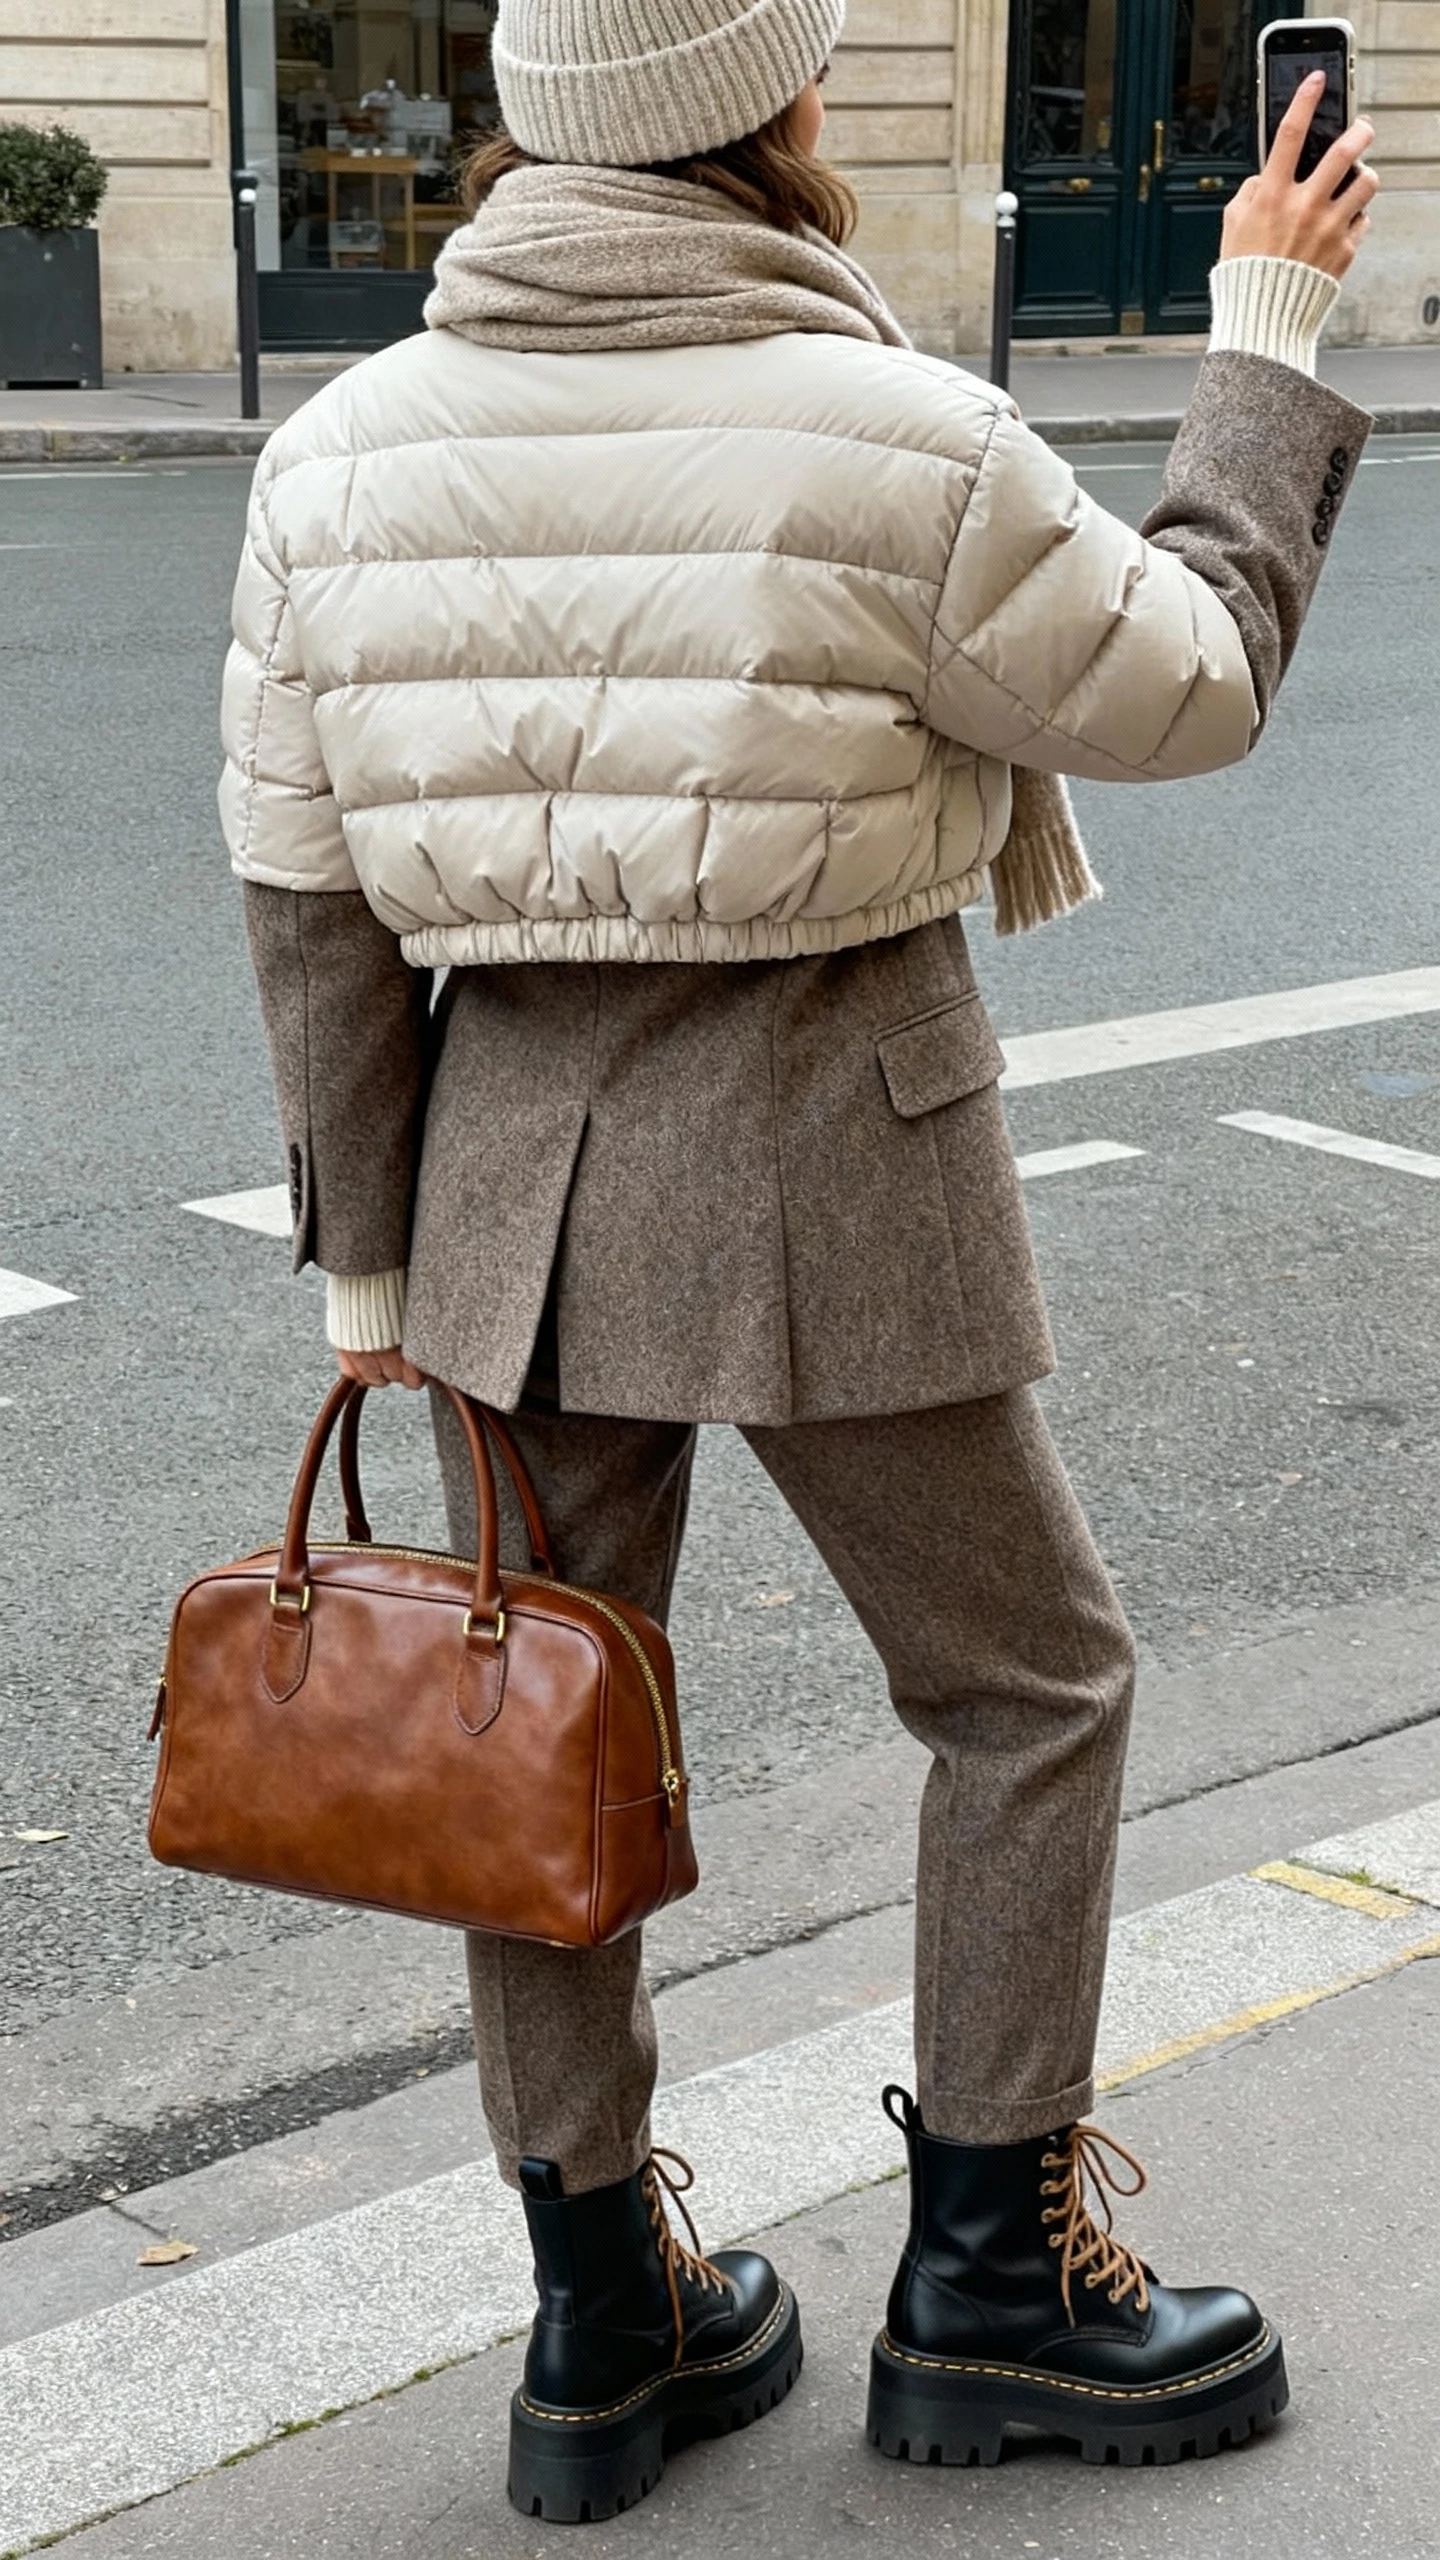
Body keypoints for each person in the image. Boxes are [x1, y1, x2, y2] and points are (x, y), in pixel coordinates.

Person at [222, 0, 1376, 2522]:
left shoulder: (337, 455)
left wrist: (367, 1264)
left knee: (528, 1739)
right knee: (1028, 1685)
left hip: (505, 1166)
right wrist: (1264, 341)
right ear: (762, 111)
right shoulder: (897, 436)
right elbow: (1189, 681)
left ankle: (599, 2317)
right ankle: (994, 2278)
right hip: (848, 1130)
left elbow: (304, 882)